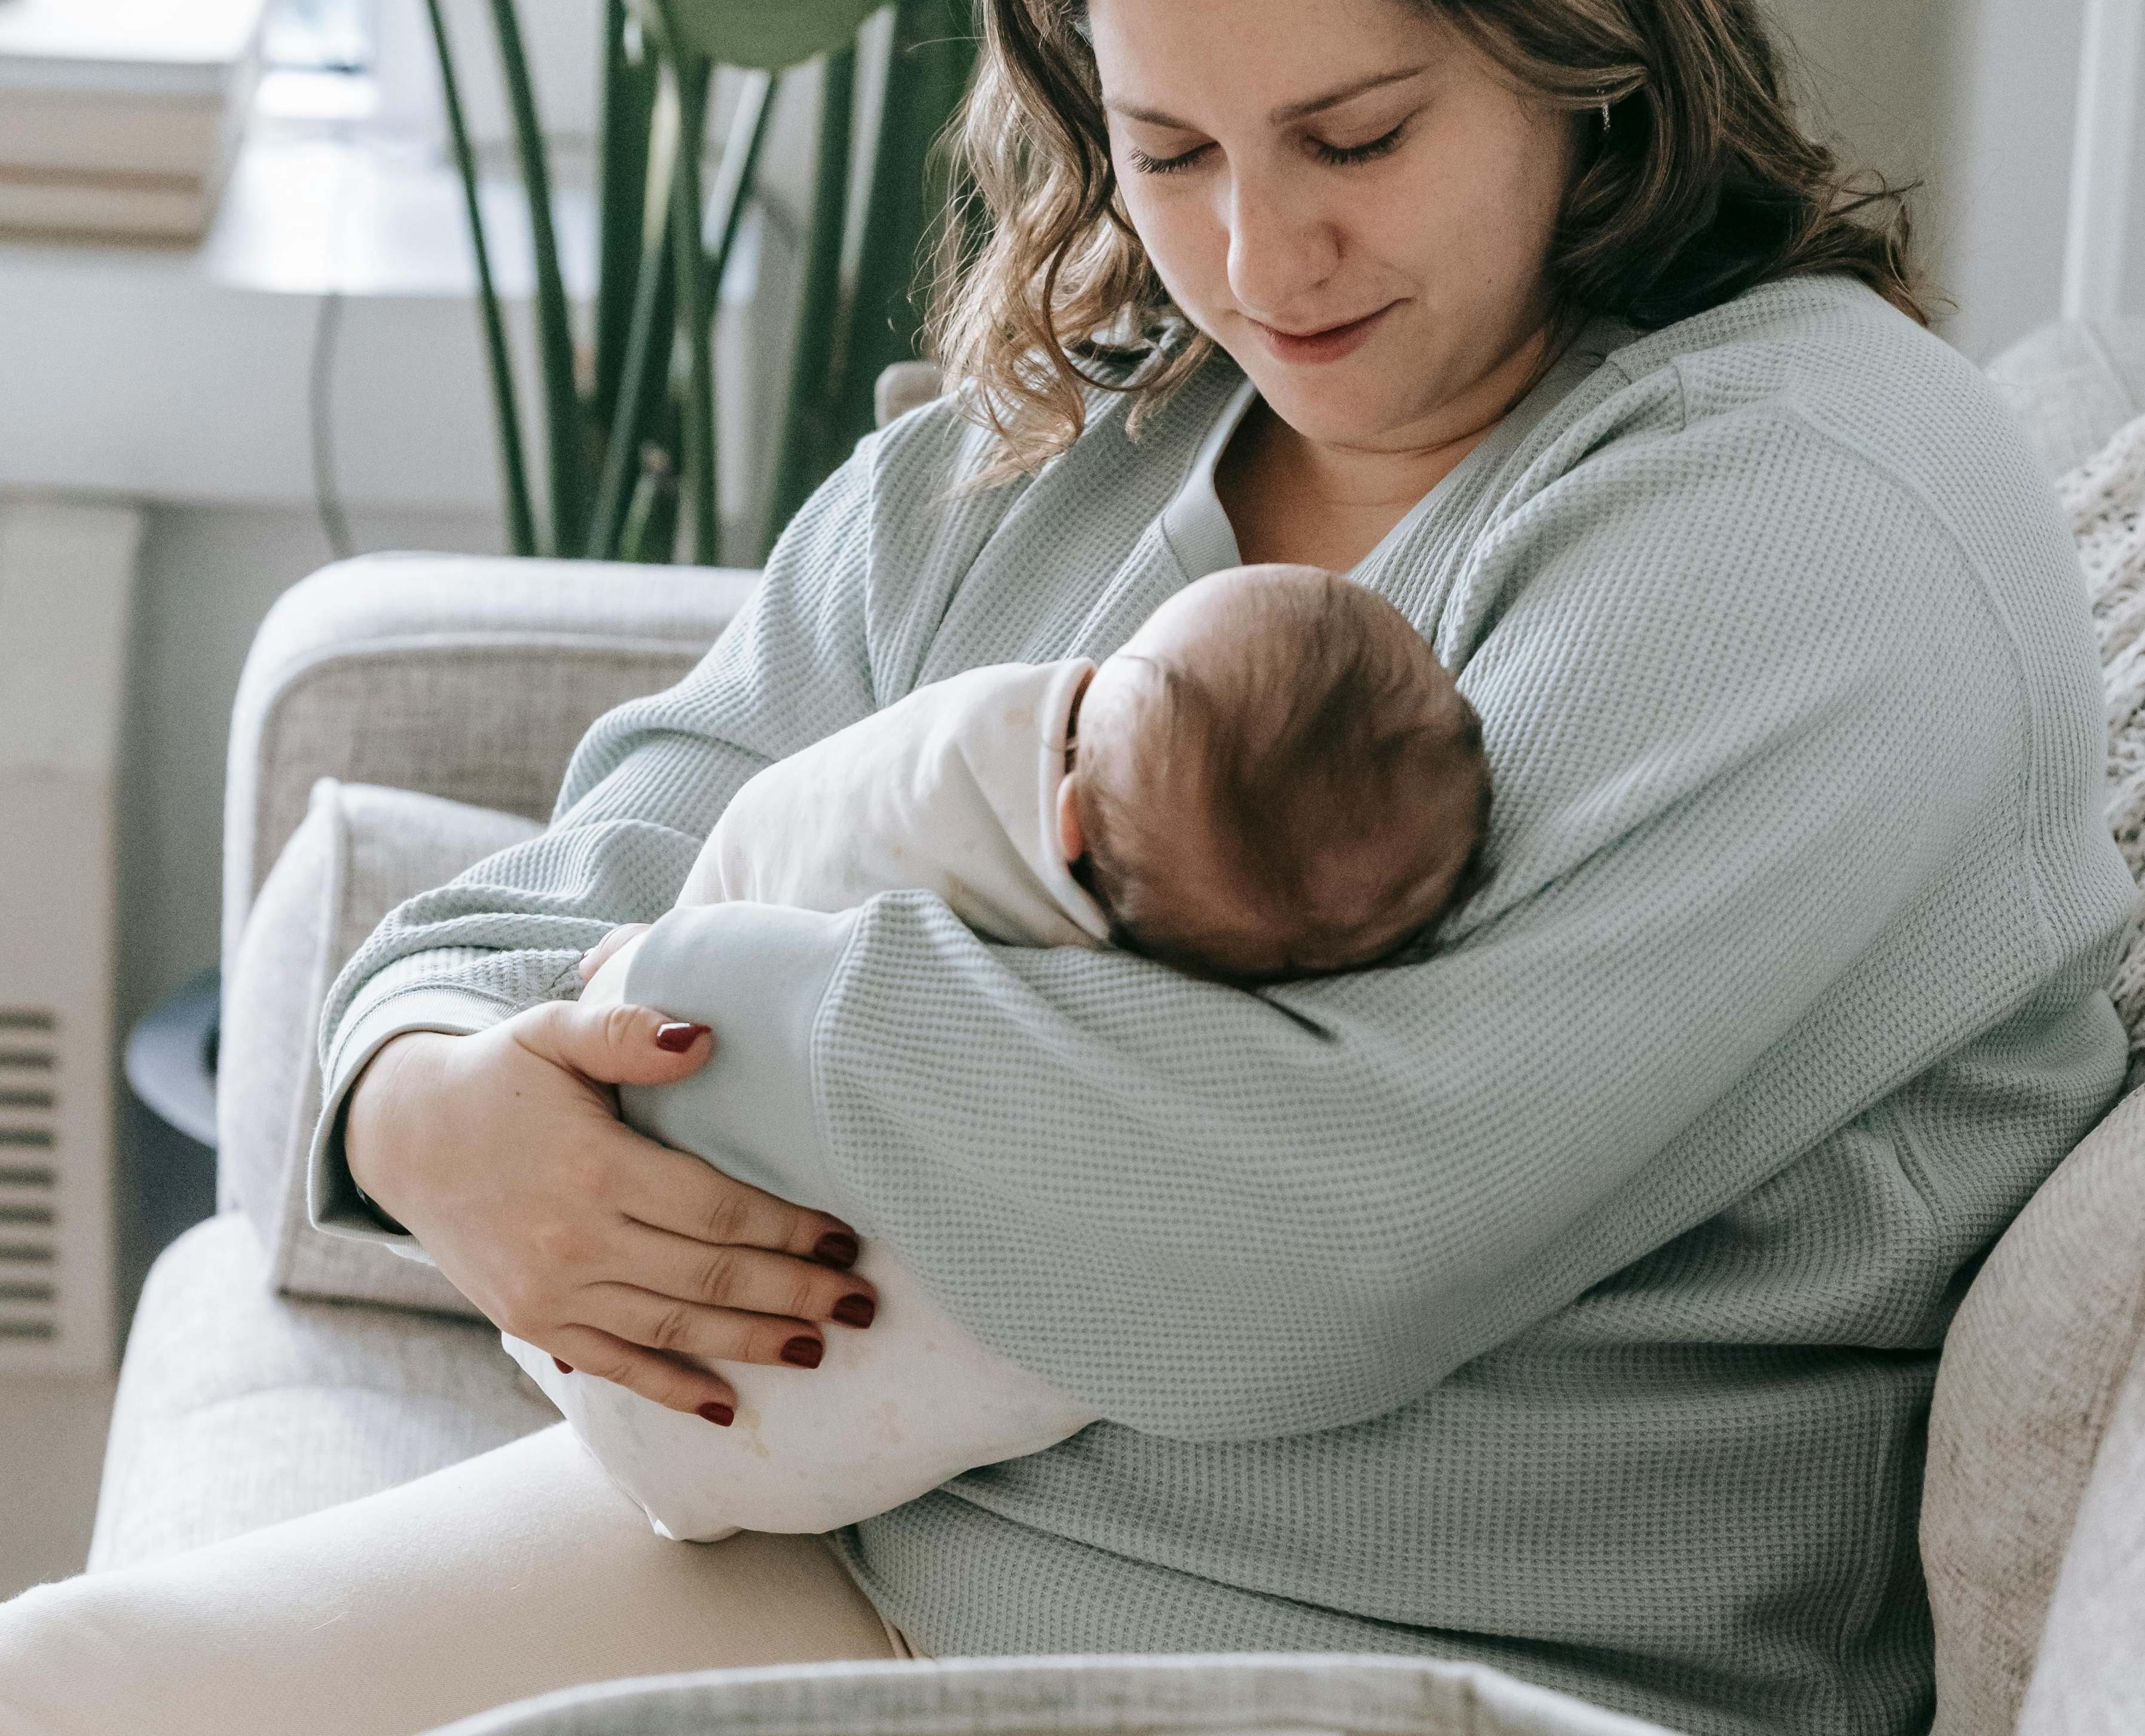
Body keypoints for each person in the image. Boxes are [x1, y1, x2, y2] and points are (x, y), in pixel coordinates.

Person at [0, 0, 2134, 1736]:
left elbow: (1310, 1244)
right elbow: (588, 864)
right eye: (1169, 151)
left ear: (1575, 49)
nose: (1261, 263)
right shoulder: (1047, 448)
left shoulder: (1804, 503)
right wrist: (427, 1103)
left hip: (1408, 1696)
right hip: (878, 1547)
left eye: (1355, 137)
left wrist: (699, 1002)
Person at [515, 562, 1492, 1544]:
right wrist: (411, 1085)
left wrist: (665, 961)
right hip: (740, 1432)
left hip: (683, 1373)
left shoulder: (960, 789)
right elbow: (592, 846)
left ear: (1066, 814)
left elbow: (782, 833)